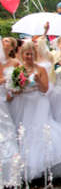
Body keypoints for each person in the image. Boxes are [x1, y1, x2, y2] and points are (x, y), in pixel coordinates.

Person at [8, 41, 61, 181]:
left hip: (39, 102)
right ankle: (26, 166)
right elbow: (15, 90)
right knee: (25, 131)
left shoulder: (40, 69)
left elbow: (45, 89)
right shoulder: (18, 69)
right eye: (27, 54)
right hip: (24, 102)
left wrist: (38, 80)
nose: (29, 56)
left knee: (41, 129)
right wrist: (21, 86)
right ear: (22, 55)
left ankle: (44, 164)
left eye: (31, 54)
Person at [0, 37, 19, 185]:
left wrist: (14, 89)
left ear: (12, 47)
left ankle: (13, 169)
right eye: (3, 41)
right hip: (2, 97)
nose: (3, 43)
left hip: (13, 98)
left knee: (13, 128)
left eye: (7, 41)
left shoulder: (15, 63)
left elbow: (19, 81)